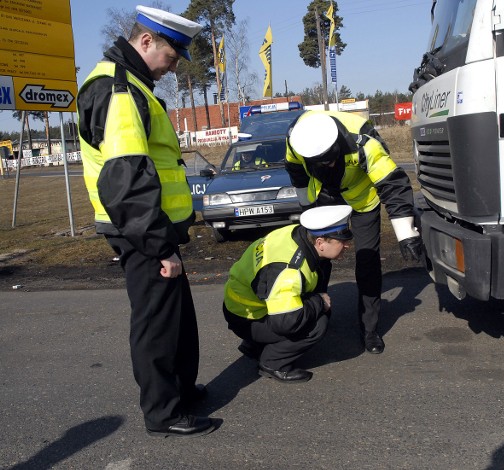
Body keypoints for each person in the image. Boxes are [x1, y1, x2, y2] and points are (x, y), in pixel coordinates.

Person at [77, 6, 216, 437]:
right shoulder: (118, 89)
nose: (172, 69)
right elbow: (126, 178)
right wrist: (159, 245)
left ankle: (181, 391)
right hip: (141, 232)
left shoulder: (132, 83)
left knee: (176, 318)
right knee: (156, 323)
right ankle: (163, 412)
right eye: (171, 59)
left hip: (153, 228)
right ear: (145, 42)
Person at [285, 111, 425, 355]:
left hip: (363, 199)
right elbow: (297, 174)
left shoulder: (364, 143)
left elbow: (393, 185)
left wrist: (406, 233)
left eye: (329, 160)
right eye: (319, 162)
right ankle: (316, 314)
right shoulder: (296, 141)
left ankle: (369, 330)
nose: (326, 165)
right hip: (324, 196)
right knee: (316, 258)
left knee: (367, 261)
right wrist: (308, 212)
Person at [222, 205, 353, 383]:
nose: (347, 245)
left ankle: (254, 345)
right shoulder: (289, 271)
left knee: (308, 302)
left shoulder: (295, 233)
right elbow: (286, 322)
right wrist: (319, 303)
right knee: (318, 323)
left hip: (243, 306)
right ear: (320, 243)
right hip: (247, 318)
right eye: (341, 241)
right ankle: (272, 363)